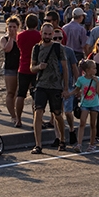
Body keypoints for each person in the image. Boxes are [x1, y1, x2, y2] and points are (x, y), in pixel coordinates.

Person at [30, 22, 71, 154]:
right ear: (41, 33)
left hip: (55, 86)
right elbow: (32, 67)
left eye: (49, 34)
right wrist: (38, 67)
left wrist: (65, 88)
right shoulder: (36, 48)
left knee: (57, 114)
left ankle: (62, 139)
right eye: (45, 33)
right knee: (38, 112)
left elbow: (65, 68)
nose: (47, 36)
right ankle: (38, 145)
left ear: (52, 34)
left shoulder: (58, 48)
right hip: (41, 84)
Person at [13, 13, 41, 128]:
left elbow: (19, 47)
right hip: (35, 67)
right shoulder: (39, 36)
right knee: (35, 95)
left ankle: (18, 119)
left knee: (21, 94)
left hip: (23, 66)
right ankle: (36, 120)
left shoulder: (20, 36)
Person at [73, 59, 99, 153]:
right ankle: (79, 144)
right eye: (94, 68)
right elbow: (76, 90)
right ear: (88, 70)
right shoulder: (81, 79)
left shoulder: (97, 79)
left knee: (93, 124)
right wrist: (69, 94)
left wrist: (97, 82)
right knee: (82, 122)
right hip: (85, 103)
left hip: (95, 103)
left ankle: (92, 144)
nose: (95, 70)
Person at [0, 16, 21, 125]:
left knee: (19, 93)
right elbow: (7, 49)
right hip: (10, 67)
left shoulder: (21, 37)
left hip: (20, 67)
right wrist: (11, 38)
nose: (12, 29)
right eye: (10, 27)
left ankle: (18, 115)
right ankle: (13, 115)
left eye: (14, 27)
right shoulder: (4, 39)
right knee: (10, 92)